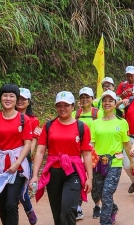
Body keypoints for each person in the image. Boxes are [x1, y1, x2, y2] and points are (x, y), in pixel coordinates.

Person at [31, 91, 92, 225]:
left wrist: (89, 178)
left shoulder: (81, 127)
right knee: (57, 213)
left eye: (66, 105)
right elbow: (40, 151)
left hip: (73, 171)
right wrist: (35, 175)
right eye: (59, 105)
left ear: (73, 106)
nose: (62, 108)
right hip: (54, 172)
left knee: (68, 210)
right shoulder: (48, 126)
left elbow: (87, 153)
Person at [0, 84, 33, 225]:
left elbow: (27, 144)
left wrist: (17, 163)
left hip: (17, 168)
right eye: (5, 95)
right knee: (3, 205)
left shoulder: (24, 120)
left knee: (11, 204)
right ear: (0, 98)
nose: (8, 98)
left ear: (16, 99)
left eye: (11, 96)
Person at [90, 90, 131, 224]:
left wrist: (131, 161)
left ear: (115, 104)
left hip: (115, 163)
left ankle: (105, 222)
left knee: (107, 193)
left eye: (110, 101)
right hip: (98, 163)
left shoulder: (122, 122)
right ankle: (113, 209)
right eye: (105, 101)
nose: (107, 103)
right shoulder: (95, 123)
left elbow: (126, 144)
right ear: (101, 103)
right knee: (99, 193)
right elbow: (91, 144)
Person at [72, 87, 102, 219]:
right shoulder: (75, 114)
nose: (85, 99)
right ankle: (78, 207)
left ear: (92, 98)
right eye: (82, 97)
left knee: (94, 181)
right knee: (78, 179)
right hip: (77, 152)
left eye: (87, 97)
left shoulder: (98, 113)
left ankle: (97, 205)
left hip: (94, 152)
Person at [16, 88, 39, 224]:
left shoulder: (33, 120)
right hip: (7, 159)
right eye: (18, 98)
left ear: (29, 102)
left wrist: (24, 157)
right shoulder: (6, 116)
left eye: (23, 99)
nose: (20, 101)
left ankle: (29, 211)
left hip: (24, 159)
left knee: (22, 190)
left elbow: (33, 141)